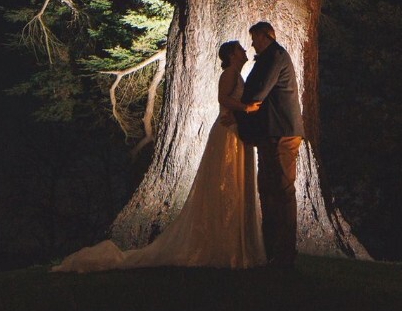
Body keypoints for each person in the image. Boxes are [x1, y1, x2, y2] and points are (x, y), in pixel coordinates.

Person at [51, 41, 265, 272]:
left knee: (233, 182)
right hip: (227, 133)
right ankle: (226, 244)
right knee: (227, 179)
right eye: (241, 49)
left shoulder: (237, 74)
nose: (246, 51)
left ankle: (232, 241)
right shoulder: (229, 74)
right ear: (232, 55)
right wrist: (247, 109)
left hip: (234, 129)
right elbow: (223, 99)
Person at [236, 21, 305, 268]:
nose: (252, 43)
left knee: (283, 189)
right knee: (267, 188)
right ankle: (270, 247)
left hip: (282, 133)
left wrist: (237, 108)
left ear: (266, 36)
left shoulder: (275, 57)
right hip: (270, 133)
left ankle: (285, 252)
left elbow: (258, 92)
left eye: (255, 37)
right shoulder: (269, 58)